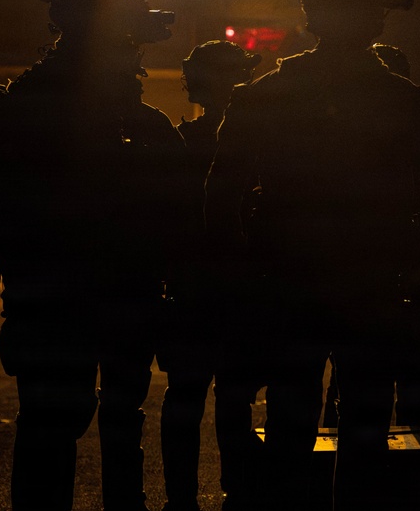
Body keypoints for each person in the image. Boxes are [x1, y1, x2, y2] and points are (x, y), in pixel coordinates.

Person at [204, 0, 420, 511]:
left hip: (287, 284)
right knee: (366, 427)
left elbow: (221, 198)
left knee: (290, 422)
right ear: (378, 19)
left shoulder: (264, 97)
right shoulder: (407, 102)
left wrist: (241, 275)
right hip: (370, 287)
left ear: (311, 14)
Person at [0, 0, 187, 511]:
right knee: (95, 417)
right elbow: (181, 208)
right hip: (97, 293)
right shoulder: (116, 117)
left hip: (59, 295)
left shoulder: (32, 105)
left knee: (55, 424)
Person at [321, 42, 420, 430]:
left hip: (387, 278)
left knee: (352, 391)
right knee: (408, 395)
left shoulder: (345, 131)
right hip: (403, 277)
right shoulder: (415, 114)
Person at [157, 39, 262, 511]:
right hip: (237, 290)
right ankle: (237, 492)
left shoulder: (180, 144)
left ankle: (182, 498)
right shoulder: (260, 144)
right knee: (232, 401)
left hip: (191, 288)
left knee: (186, 397)